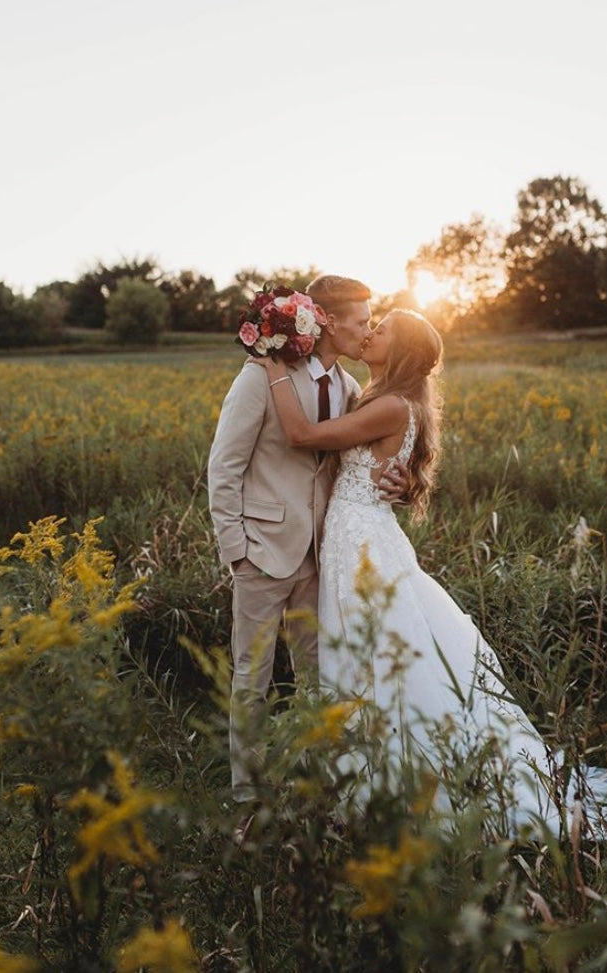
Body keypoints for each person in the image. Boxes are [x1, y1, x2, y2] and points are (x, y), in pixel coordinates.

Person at [253, 308, 607, 839]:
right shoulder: (378, 398)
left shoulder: (393, 405)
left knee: (379, 657)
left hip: (365, 548)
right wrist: (403, 485)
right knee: (366, 653)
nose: (371, 332)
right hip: (357, 540)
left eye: (384, 329)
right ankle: (364, 777)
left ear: (400, 353)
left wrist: (273, 364)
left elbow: (302, 434)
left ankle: (398, 785)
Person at [207, 274, 407, 814]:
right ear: (328, 320)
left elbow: (358, 463)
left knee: (317, 675)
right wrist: (237, 550)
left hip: (321, 555)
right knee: (252, 678)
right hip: (262, 553)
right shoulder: (260, 377)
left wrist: (401, 483)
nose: (367, 331)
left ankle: (314, 783)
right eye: (362, 321)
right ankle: (246, 797)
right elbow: (223, 468)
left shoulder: (347, 389)